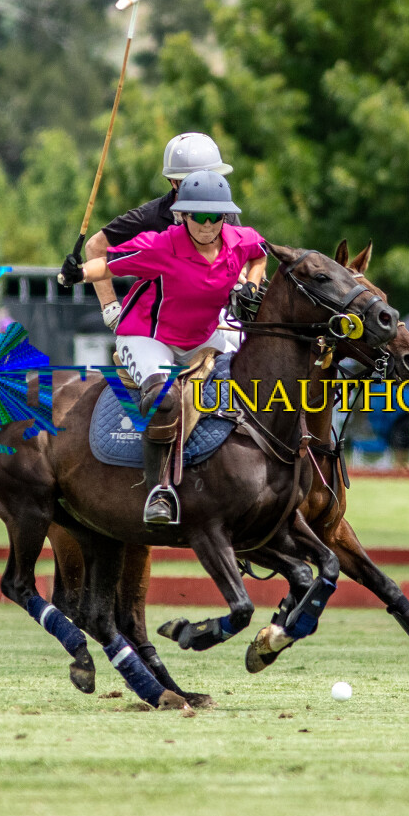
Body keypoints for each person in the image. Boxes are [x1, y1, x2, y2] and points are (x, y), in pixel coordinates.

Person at [72, 169, 266, 524]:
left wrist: (251, 285)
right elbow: (109, 264)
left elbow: (259, 253)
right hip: (148, 337)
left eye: (216, 217)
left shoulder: (239, 239)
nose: (208, 225)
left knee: (258, 369)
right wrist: (79, 273)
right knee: (163, 398)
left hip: (202, 336)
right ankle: (158, 490)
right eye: (199, 217)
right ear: (183, 215)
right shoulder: (161, 245)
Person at [59, 133, 240, 339]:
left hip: (212, 319)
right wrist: (110, 308)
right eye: (194, 182)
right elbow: (95, 246)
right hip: (158, 325)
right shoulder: (148, 217)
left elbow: (244, 257)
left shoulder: (226, 215)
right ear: (174, 182)